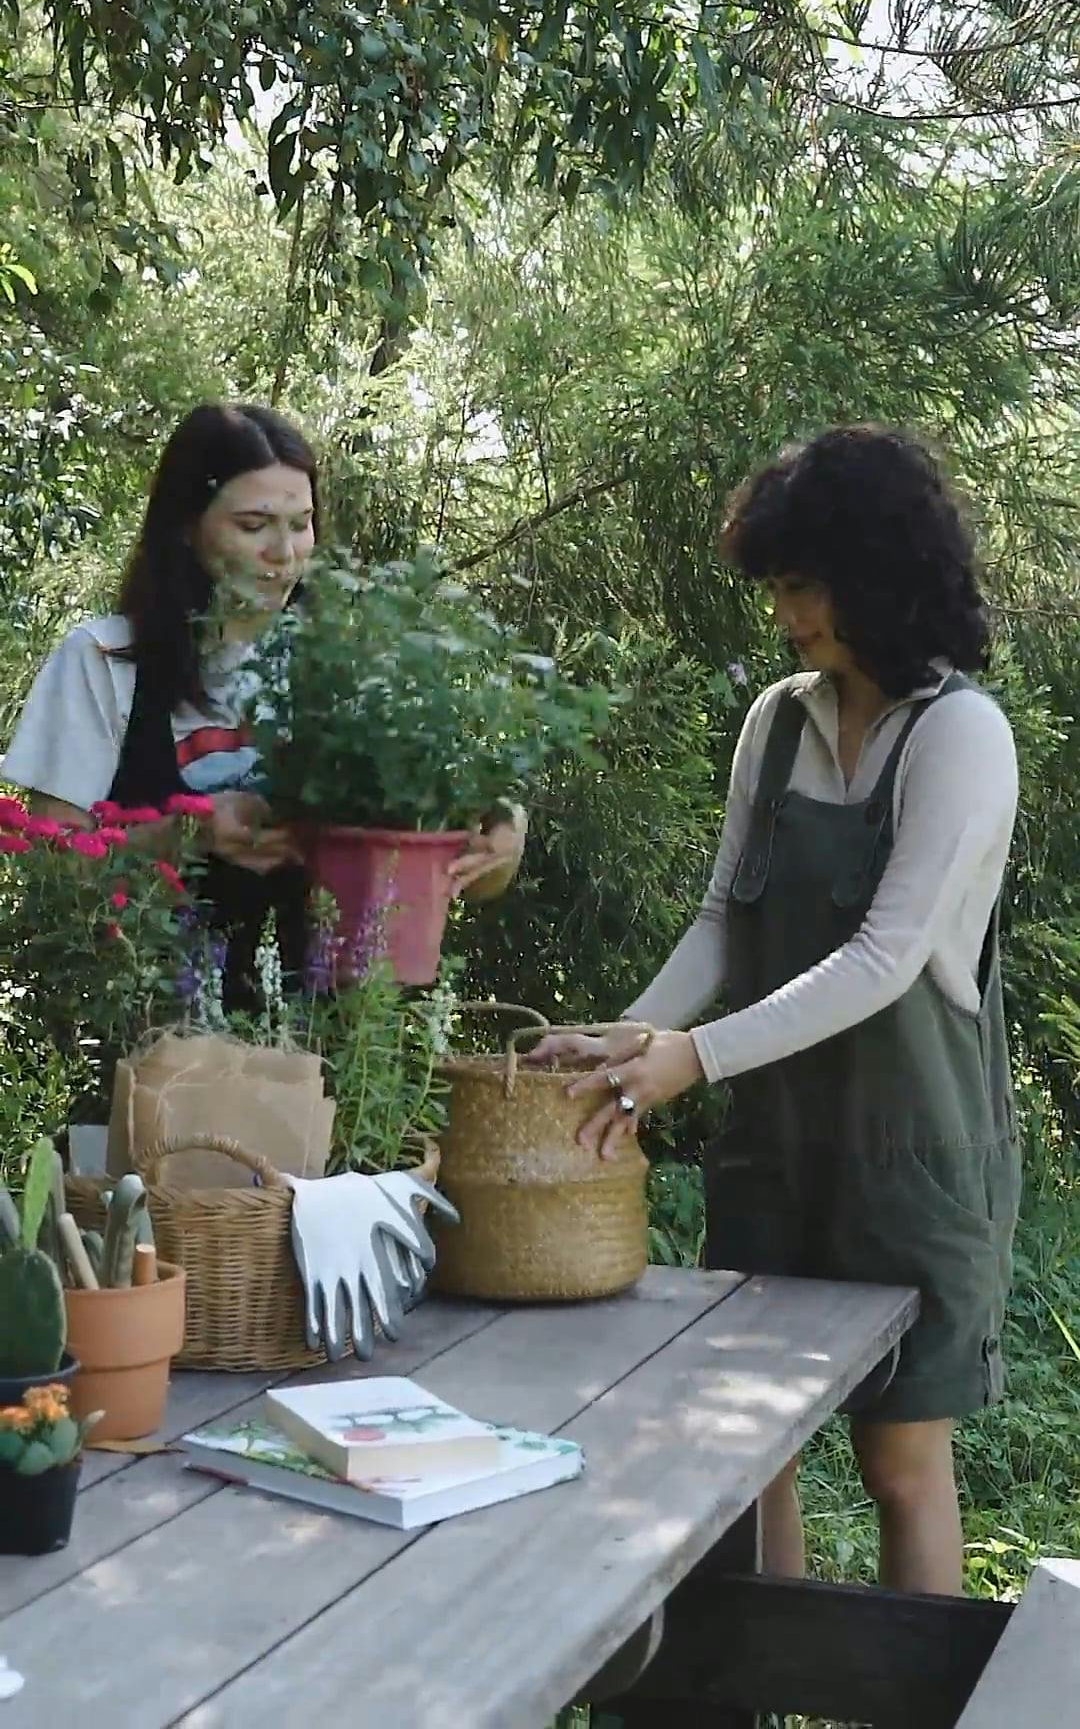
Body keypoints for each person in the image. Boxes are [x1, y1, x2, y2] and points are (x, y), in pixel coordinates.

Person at [532, 423, 1021, 1597]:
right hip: (778, 1154)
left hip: (915, 1166)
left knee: (900, 1463)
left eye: (805, 586)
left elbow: (886, 958)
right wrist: (628, 1038)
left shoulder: (961, 734)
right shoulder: (777, 721)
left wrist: (690, 1058)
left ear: (878, 574)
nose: (789, 614)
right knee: (752, 1456)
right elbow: (724, 922)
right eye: (780, 589)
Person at [3, 402, 526, 1005]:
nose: (285, 552)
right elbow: (54, 873)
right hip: (154, 1041)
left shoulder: (354, 666)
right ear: (184, 526)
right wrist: (184, 835)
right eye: (254, 526)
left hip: (334, 1051)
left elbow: (446, 868)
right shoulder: (104, 661)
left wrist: (500, 840)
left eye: (301, 523)